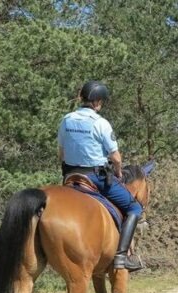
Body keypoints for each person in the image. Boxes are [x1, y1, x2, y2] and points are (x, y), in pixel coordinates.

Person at [57, 80, 143, 271]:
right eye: (101, 101)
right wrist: (119, 172)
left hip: (70, 176)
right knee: (134, 207)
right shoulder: (100, 123)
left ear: (82, 98)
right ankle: (121, 257)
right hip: (95, 177)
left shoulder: (66, 119)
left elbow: (61, 153)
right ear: (97, 102)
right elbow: (116, 157)